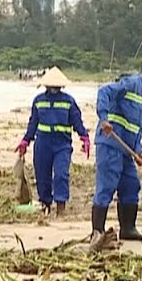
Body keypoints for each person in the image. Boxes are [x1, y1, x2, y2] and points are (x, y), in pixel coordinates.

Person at [91, 54, 142, 247]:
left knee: (131, 186)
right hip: (110, 144)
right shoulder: (131, 83)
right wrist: (104, 119)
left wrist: (138, 150)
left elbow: (135, 125)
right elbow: (104, 92)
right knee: (106, 187)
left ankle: (128, 228)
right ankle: (97, 231)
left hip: (127, 150)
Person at [14, 67, 91, 216]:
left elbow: (77, 121)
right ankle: (46, 204)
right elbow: (33, 123)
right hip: (43, 142)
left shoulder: (69, 101)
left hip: (62, 144)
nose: (53, 88)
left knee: (61, 174)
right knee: (42, 176)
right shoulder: (39, 101)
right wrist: (25, 141)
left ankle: (61, 205)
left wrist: (84, 137)